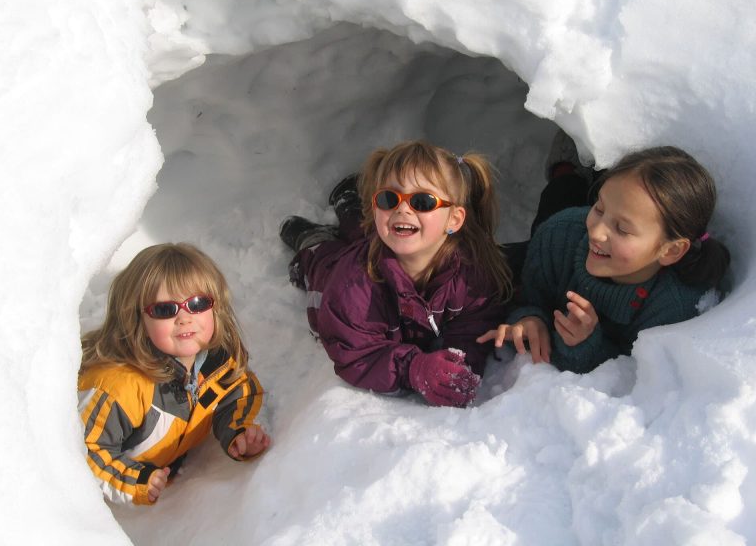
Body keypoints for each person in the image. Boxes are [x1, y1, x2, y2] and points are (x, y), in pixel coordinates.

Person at [280, 140, 514, 407]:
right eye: (388, 198)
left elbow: (477, 320)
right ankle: (311, 237)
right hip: (330, 275)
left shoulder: (470, 274)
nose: (403, 208)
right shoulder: (351, 288)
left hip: (379, 244)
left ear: (454, 220)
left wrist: (459, 360)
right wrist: (413, 368)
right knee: (324, 255)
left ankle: (349, 206)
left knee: (370, 231)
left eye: (422, 201)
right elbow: (356, 355)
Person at [480, 141, 731, 373]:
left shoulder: (673, 306)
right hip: (566, 236)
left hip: (575, 242)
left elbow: (629, 368)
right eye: (599, 208)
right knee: (560, 195)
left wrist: (583, 343)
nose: (598, 232)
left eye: (622, 228)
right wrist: (530, 317)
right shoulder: (557, 235)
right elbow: (529, 295)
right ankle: (570, 163)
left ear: (671, 251)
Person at [78, 243, 270, 506]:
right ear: (136, 320)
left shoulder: (218, 363)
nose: (184, 318)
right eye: (165, 310)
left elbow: (239, 391)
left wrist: (238, 431)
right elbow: (84, 452)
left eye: (197, 303)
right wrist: (135, 480)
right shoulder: (119, 387)